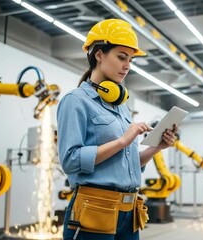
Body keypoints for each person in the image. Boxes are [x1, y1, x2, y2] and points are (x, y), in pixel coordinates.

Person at [57, 18, 178, 240]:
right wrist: (122, 141)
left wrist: (157, 147)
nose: (127, 66)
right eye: (121, 57)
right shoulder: (75, 101)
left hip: (130, 211)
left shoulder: (121, 107)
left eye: (130, 60)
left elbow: (127, 162)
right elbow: (70, 160)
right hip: (94, 209)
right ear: (99, 54)